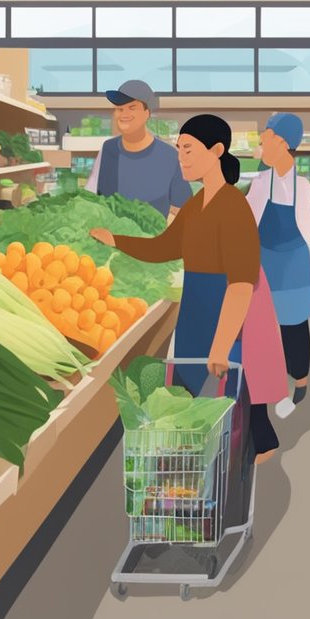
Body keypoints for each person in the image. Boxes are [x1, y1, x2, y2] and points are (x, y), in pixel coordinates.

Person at [90, 114, 286, 464]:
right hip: (197, 305)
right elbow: (164, 247)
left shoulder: (234, 208)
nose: (181, 157)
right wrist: (116, 240)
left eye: (189, 149)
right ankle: (207, 456)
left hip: (227, 309)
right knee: (191, 390)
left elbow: (241, 284)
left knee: (235, 390)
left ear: (217, 150)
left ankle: (247, 454)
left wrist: (223, 344)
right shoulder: (196, 205)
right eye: (179, 150)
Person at [246, 112, 310, 418]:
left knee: (294, 325)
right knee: (262, 326)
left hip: (294, 264)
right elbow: (247, 219)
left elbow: (308, 231)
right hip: (265, 261)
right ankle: (268, 384)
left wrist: (306, 272)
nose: (262, 139)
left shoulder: (303, 186)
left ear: (284, 142)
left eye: (267, 135)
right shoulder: (261, 182)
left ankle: (300, 383)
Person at [84, 79, 191, 220]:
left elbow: (185, 209)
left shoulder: (168, 156)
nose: (124, 114)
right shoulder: (108, 149)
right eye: (119, 109)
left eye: (132, 107)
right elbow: (91, 197)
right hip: (109, 238)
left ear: (147, 113)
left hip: (153, 240)